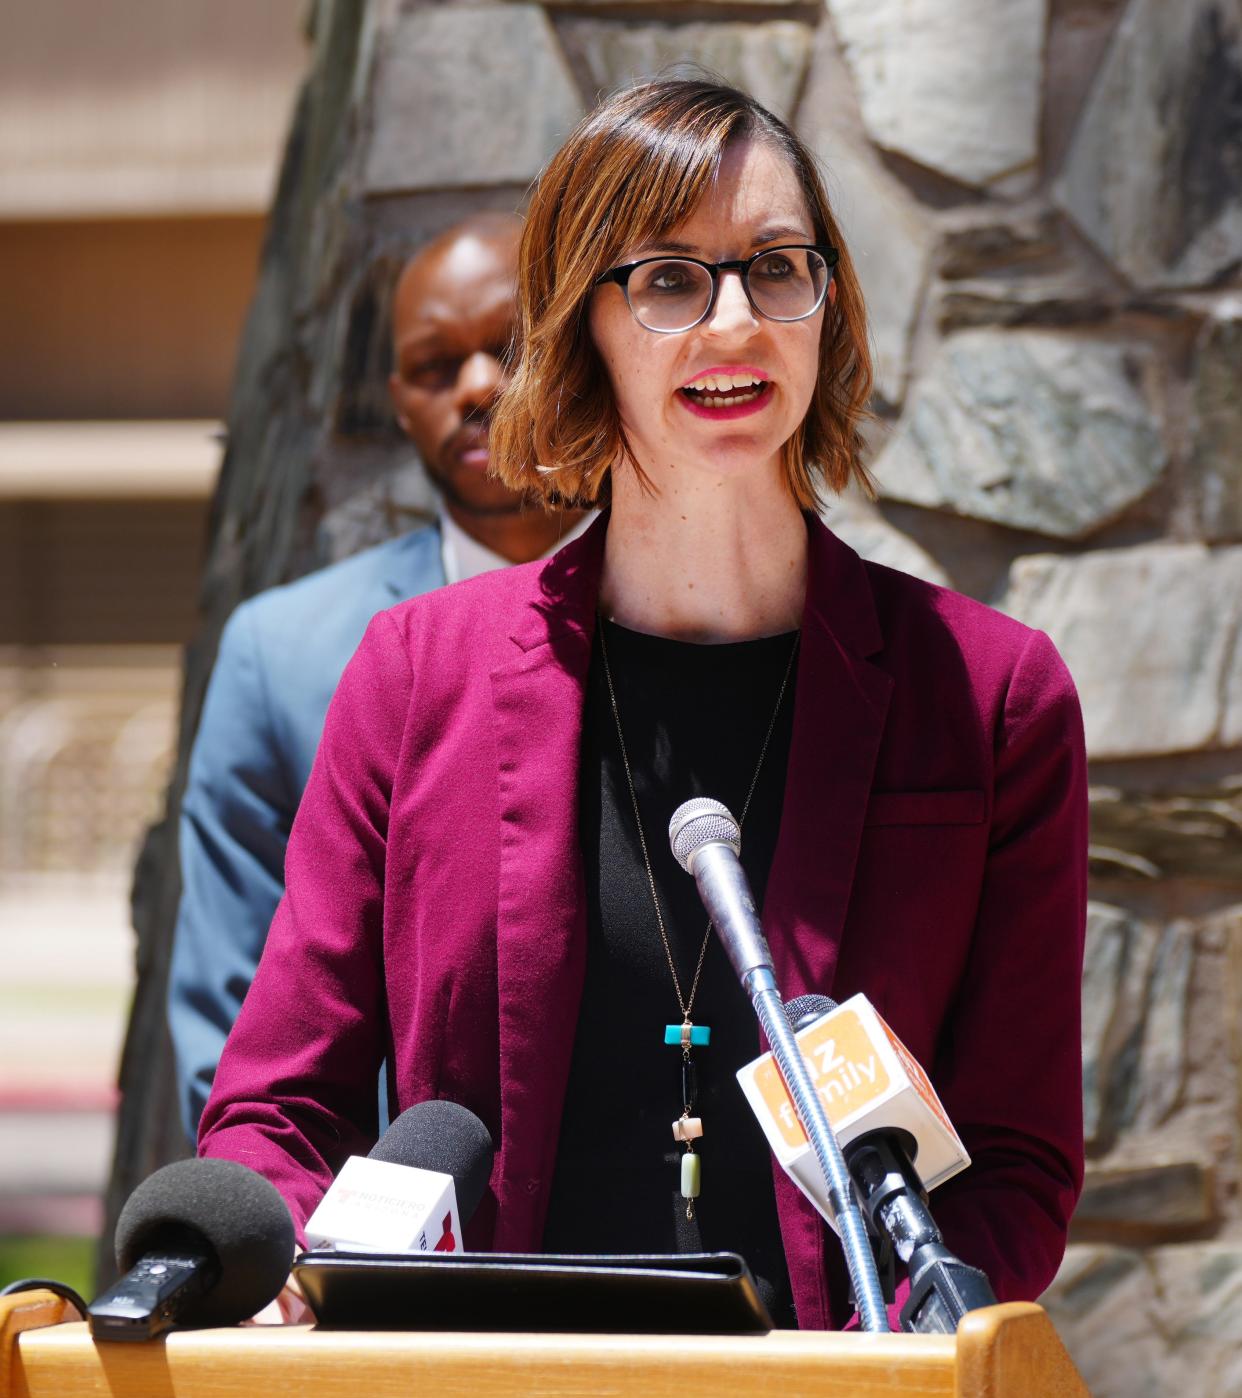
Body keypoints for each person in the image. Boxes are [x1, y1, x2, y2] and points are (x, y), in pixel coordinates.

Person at [199, 80, 1087, 1330]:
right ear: (582, 329)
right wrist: (284, 1278)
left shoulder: (991, 697)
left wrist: (858, 1359)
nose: (735, 321)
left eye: (778, 266)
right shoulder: (416, 676)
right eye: (670, 280)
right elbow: (274, 1106)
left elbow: (1019, 1164)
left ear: (827, 305)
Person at [168, 212, 590, 1140]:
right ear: (399, 398)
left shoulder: (698, 610)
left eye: (511, 348)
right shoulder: (282, 655)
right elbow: (234, 1016)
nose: (477, 387)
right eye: (437, 368)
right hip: (384, 1252)